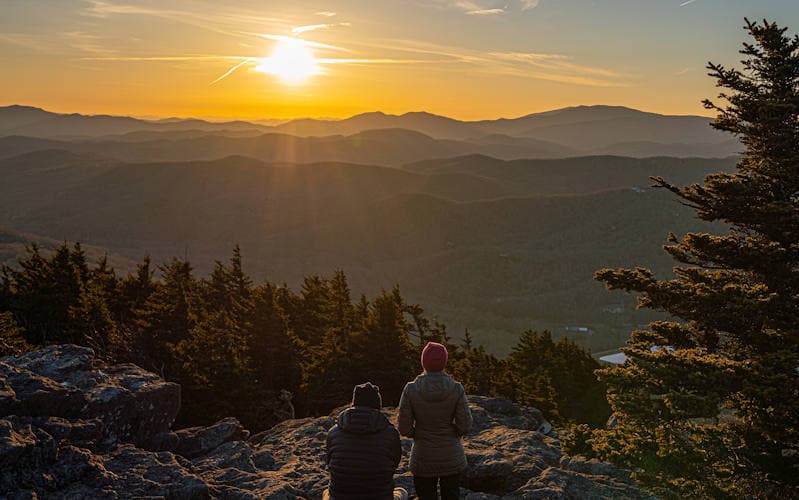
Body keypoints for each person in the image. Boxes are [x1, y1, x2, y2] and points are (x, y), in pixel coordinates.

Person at [398, 342, 472, 500]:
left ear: (423, 362)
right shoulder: (456, 388)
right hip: (451, 456)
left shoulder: (411, 389)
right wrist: (453, 433)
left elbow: (404, 427)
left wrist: (417, 433)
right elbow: (465, 425)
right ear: (444, 362)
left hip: (423, 456)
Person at [325, 382, 408, 500]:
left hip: (339, 496)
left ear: (354, 403)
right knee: (402, 492)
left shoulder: (333, 432)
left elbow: (329, 462)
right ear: (377, 405)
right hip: (380, 496)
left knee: (326, 492)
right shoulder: (390, 433)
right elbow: (395, 463)